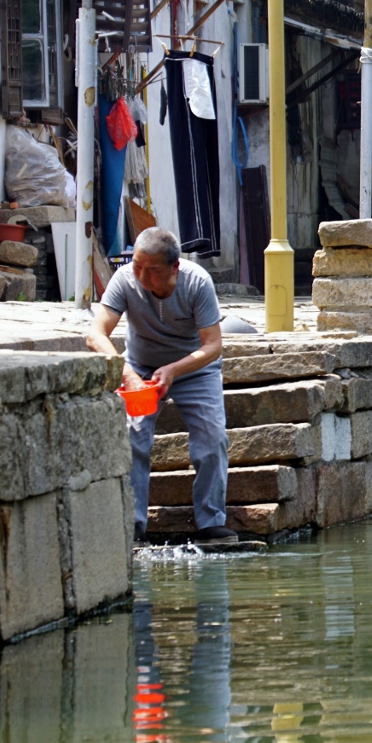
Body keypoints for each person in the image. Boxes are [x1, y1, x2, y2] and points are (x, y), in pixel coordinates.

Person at [87, 227, 235, 546]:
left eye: (152, 270)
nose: (142, 276)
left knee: (212, 438)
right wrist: (126, 373)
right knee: (133, 438)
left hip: (193, 370)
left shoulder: (197, 282)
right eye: (137, 266)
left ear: (174, 267)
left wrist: (173, 370)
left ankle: (211, 523)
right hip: (139, 368)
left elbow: (213, 345)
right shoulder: (124, 279)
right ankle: (132, 526)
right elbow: (95, 334)